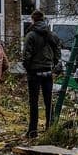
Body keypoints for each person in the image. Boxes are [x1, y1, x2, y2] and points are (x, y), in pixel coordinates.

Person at [23, 10, 61, 138]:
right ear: (43, 19)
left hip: (34, 72)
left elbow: (26, 55)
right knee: (49, 101)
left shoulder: (31, 35)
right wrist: (53, 63)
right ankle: (50, 127)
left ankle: (32, 131)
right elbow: (57, 51)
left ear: (33, 20)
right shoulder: (51, 35)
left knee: (33, 102)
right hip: (48, 70)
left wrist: (28, 68)